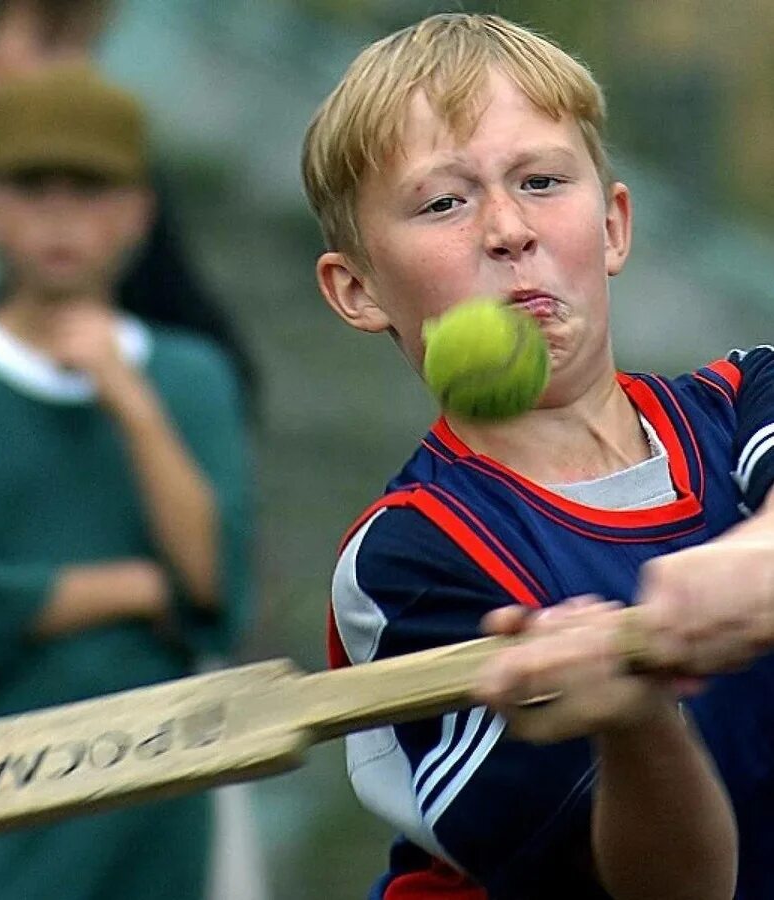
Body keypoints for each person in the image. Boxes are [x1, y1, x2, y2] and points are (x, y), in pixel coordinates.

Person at [302, 12, 774, 900]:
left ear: (612, 227)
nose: (507, 230)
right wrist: (635, 724)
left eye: (543, 180)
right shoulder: (411, 559)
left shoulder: (745, 399)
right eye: (444, 201)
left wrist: (750, 558)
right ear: (357, 288)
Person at [0, 64, 250, 899]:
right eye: (31, 187)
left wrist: (129, 400)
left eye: (88, 190)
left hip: (150, 791)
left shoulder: (191, 378)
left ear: (136, 212)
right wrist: (130, 586)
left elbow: (215, 590)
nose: (60, 216)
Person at [0, 0, 257, 408]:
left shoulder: (122, 188)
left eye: (88, 46)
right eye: (51, 44)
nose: (76, 71)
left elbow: (227, 377)